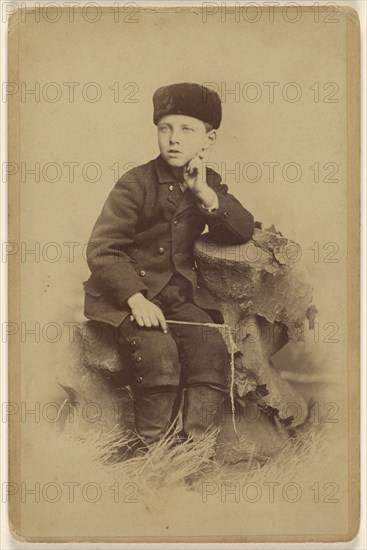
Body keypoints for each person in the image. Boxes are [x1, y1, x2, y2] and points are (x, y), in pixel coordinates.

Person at [83, 82, 254, 445]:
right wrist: (136, 299)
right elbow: (104, 249)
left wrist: (205, 194)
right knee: (159, 359)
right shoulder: (135, 184)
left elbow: (241, 229)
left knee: (211, 352)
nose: (173, 139)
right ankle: (153, 453)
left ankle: (193, 452)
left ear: (209, 140)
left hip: (179, 298)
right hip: (129, 298)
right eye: (165, 128)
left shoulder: (206, 182)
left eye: (187, 129)